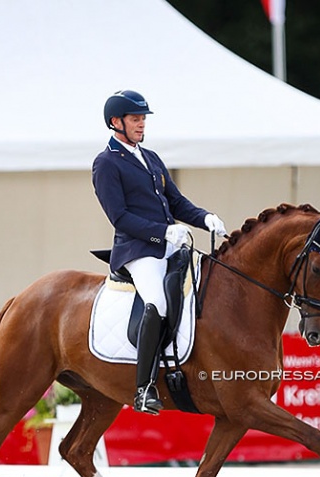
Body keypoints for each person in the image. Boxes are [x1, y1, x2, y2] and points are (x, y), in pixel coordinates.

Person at [92, 90, 227, 415]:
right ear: (116, 122)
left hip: (169, 246)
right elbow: (119, 217)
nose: (141, 124)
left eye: (143, 119)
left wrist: (204, 217)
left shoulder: (150, 157)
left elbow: (176, 202)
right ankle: (144, 388)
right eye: (136, 119)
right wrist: (163, 231)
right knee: (158, 301)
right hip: (137, 250)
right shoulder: (106, 163)